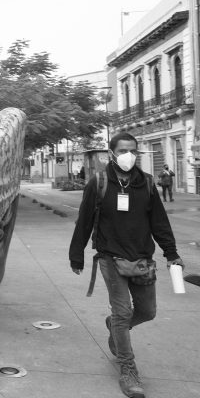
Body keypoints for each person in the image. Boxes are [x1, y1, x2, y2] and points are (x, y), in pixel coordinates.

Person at [69, 132, 184, 398]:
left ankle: (114, 326)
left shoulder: (146, 184)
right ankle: (128, 370)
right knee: (123, 313)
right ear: (112, 153)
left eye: (133, 150)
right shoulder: (99, 183)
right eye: (122, 150)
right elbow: (84, 221)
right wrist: (77, 255)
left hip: (142, 258)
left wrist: (171, 253)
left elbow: (159, 222)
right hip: (110, 257)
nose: (128, 155)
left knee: (147, 311)